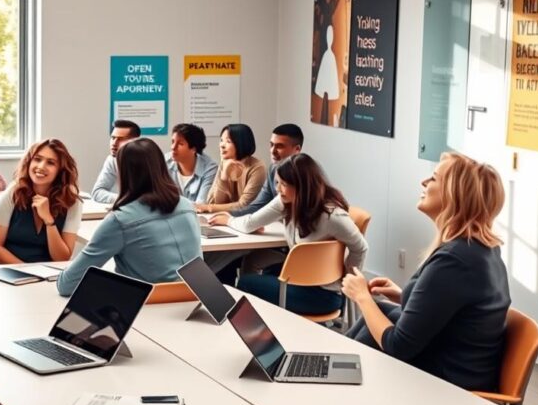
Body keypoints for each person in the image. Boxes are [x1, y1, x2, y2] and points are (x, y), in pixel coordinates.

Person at [342, 153, 510, 391]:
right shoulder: (480, 251)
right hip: (454, 367)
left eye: (433, 178)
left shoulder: (454, 262)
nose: (423, 182)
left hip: (445, 388)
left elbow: (397, 347)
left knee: (373, 316)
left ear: (454, 195)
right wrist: (404, 296)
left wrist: (362, 296)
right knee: (381, 310)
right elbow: (457, 313)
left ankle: (329, 383)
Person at [222, 153, 367, 315]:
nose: (278, 189)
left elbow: (361, 247)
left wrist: (348, 281)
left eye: (283, 184)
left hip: (324, 295)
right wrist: (228, 220)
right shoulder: (286, 200)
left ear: (301, 187)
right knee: (264, 267)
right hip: (300, 282)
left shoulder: (333, 217)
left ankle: (258, 328)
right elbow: (250, 223)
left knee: (246, 283)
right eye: (278, 182)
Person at [58, 138, 202, 296]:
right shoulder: (188, 206)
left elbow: (67, 285)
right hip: (198, 300)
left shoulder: (121, 220)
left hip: (149, 309)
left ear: (123, 173)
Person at [0, 139, 82, 264]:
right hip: (12, 270)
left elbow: (61, 258)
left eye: (51, 163)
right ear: (29, 162)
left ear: (60, 170)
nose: (41, 166)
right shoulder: (13, 192)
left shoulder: (72, 201)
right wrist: (27, 272)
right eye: (37, 159)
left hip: (50, 274)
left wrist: (49, 221)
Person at [209, 123, 304, 222]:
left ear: (297, 149)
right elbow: (257, 206)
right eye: (271, 145)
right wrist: (227, 215)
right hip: (280, 227)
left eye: (279, 146)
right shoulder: (272, 169)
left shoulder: (304, 173)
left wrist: (229, 220)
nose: (272, 150)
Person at [196, 123, 266, 214]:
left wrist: (209, 207)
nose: (222, 145)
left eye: (228, 141)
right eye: (221, 140)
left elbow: (244, 205)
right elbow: (214, 201)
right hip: (226, 218)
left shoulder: (257, 167)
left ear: (241, 143)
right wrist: (224, 177)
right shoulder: (225, 163)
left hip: (248, 219)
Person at [90, 119, 141, 204]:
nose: (114, 143)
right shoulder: (112, 160)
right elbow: (97, 192)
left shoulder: (147, 160)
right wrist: (121, 199)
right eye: (113, 138)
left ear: (134, 142)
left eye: (121, 139)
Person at [165, 123, 218, 203]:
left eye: (180, 144)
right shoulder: (164, 162)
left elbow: (201, 204)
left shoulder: (210, 168)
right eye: (172, 142)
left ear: (193, 149)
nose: (173, 147)